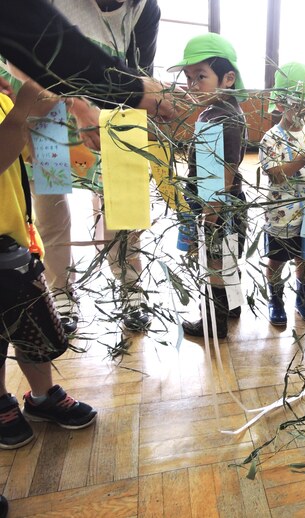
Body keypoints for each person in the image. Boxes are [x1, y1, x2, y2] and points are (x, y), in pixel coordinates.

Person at [24, 0, 161, 333]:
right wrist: (78, 107)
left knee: (124, 205)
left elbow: (140, 70)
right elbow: (27, 60)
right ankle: (60, 292)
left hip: (113, 111)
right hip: (50, 106)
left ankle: (130, 288)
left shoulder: (145, 8)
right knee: (52, 206)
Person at [0, 81, 98, 441]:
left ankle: (42, 396)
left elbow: (22, 153)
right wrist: (24, 110)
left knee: (34, 330)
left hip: (15, 240)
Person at [167, 33, 248, 339]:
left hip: (219, 207)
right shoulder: (217, 110)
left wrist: (209, 215)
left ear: (228, 78)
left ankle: (214, 325)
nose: (192, 85)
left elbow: (225, 176)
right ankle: (233, 306)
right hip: (217, 203)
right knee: (226, 258)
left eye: (200, 77)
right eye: (189, 78)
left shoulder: (224, 118)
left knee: (214, 263)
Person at [0, 0, 177, 119]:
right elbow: (25, 55)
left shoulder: (144, 9)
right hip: (27, 114)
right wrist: (76, 105)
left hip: (96, 129)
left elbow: (141, 79)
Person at [259, 62, 305, 327]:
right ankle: (275, 299)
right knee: (277, 258)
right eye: (298, 105)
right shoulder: (271, 138)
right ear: (280, 104)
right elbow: (275, 174)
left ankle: (303, 299)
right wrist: (300, 160)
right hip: (282, 212)